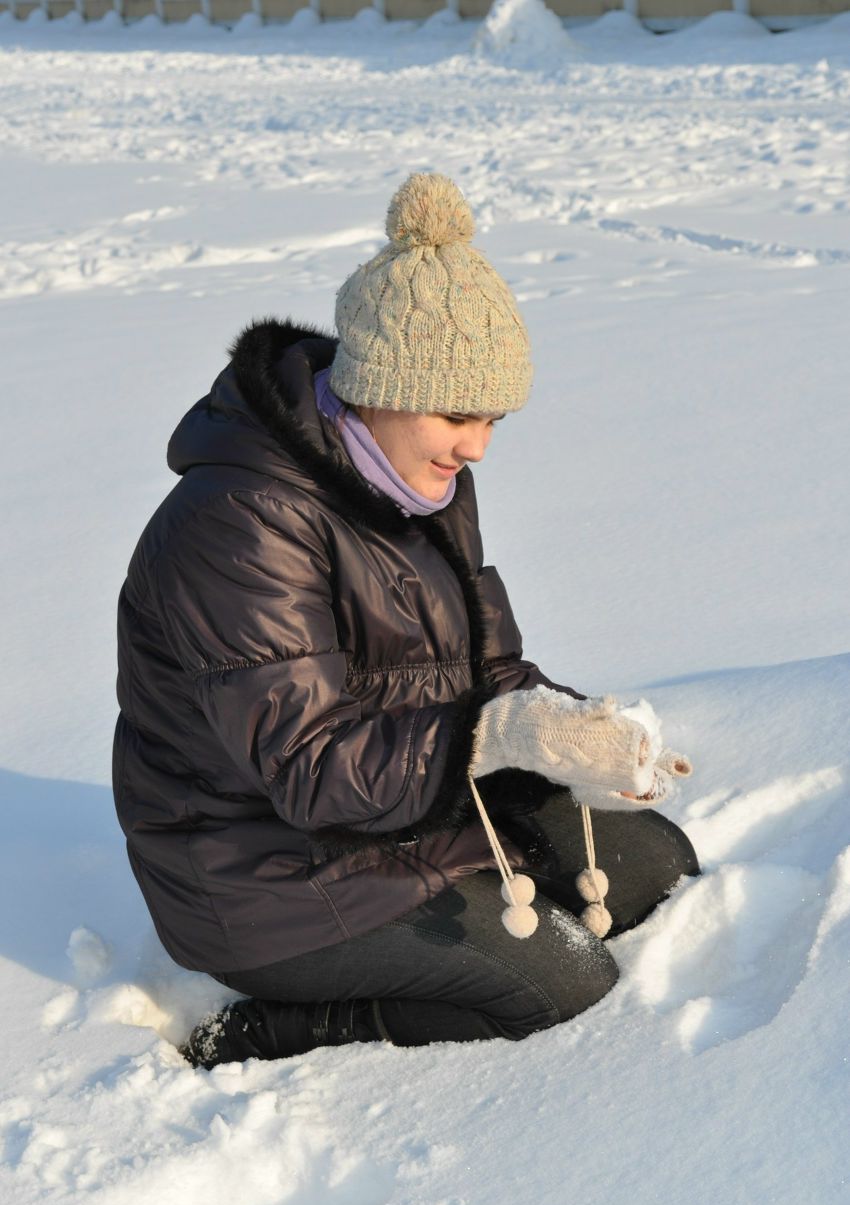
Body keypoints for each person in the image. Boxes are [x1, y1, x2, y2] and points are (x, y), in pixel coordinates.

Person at [112, 172, 699, 1070]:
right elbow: (313, 772)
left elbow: (493, 673)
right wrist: (501, 735)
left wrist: (580, 734)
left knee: (658, 863)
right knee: (562, 981)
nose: (477, 447)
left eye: (494, 418)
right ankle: (268, 1030)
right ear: (376, 387)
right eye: (458, 414)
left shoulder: (421, 483)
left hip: (399, 815)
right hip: (265, 874)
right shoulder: (237, 527)